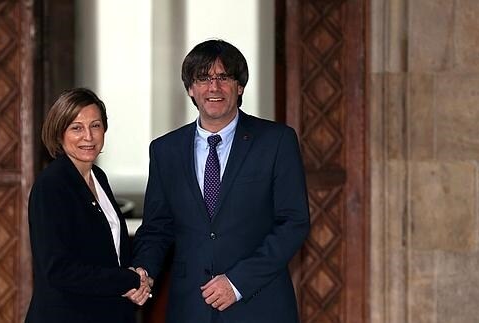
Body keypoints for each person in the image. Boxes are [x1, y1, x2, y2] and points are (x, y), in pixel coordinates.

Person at [132, 39, 311, 323]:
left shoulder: (277, 141)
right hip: (190, 308)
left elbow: (293, 222)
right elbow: (157, 228)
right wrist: (143, 270)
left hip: (259, 304)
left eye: (223, 77)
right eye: (203, 78)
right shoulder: (165, 150)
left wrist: (237, 283)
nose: (213, 87)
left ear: (239, 86)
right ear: (190, 89)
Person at [25, 88, 151, 323]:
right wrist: (128, 280)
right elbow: (58, 269)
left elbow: (109, 253)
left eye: (95, 125)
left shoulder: (99, 177)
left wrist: (137, 280)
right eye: (76, 128)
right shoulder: (51, 185)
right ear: (59, 133)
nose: (89, 136)